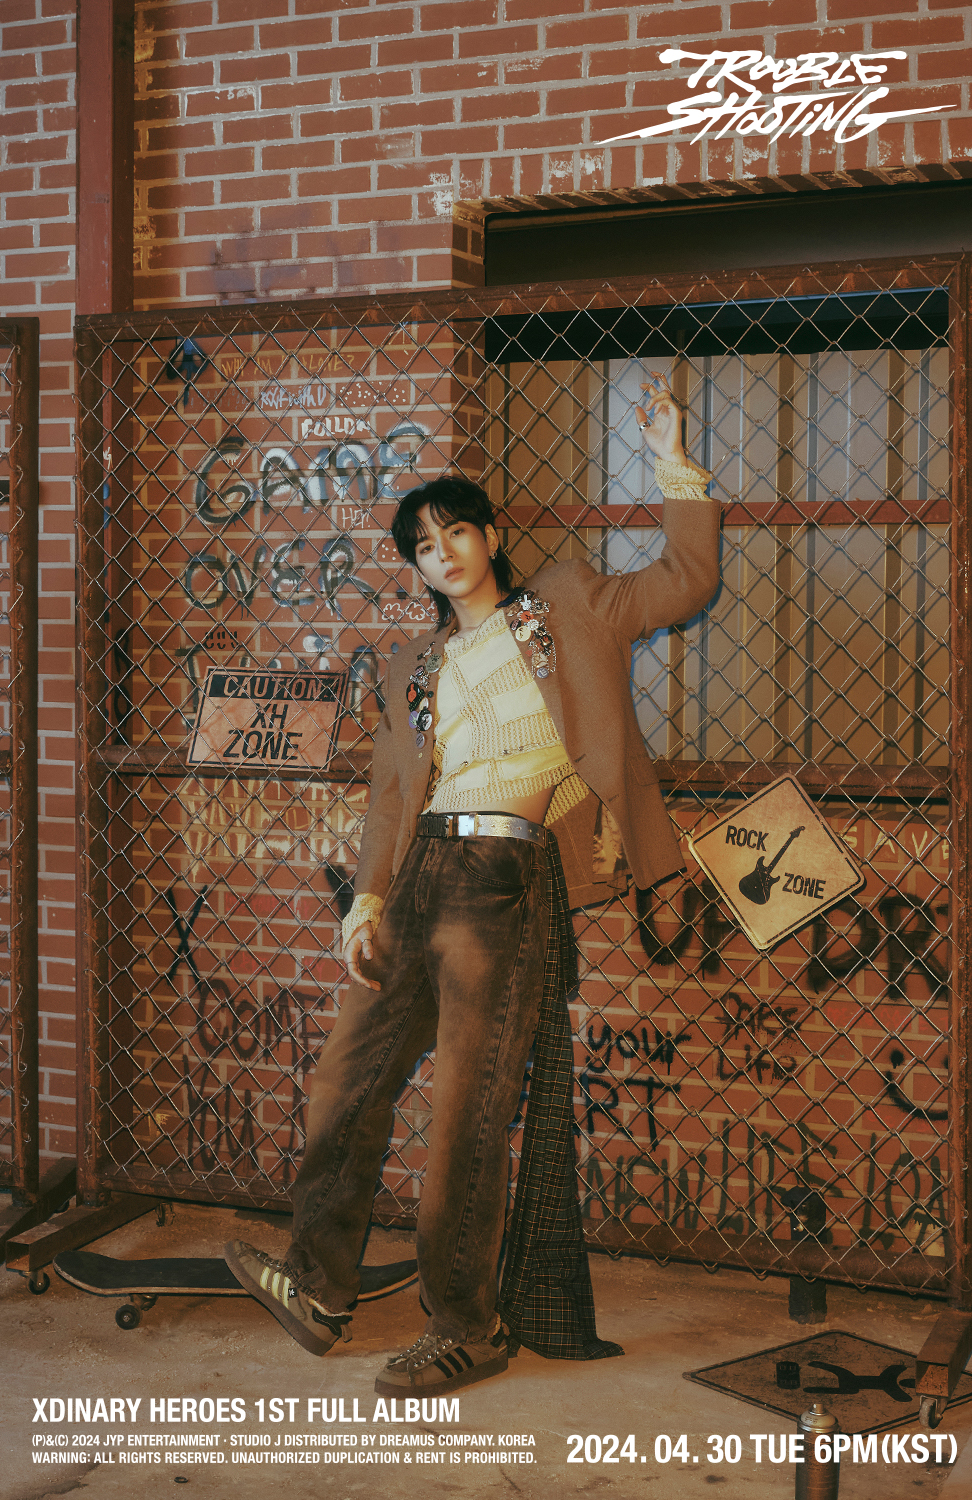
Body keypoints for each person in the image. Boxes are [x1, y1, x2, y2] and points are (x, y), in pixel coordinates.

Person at [224, 373, 721, 1396]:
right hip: (422, 874)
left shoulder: (571, 605)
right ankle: (318, 1286)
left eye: (454, 531)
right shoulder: (415, 664)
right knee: (347, 1077)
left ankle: (465, 1326)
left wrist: (671, 458)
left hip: (506, 872)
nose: (441, 552)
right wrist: (367, 899)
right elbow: (389, 794)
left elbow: (685, 580)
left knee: (465, 1106)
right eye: (421, 544)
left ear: (490, 535)